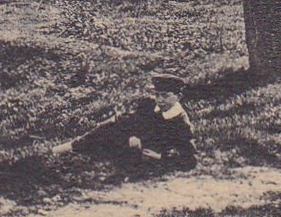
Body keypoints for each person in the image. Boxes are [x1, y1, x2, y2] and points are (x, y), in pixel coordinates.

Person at [50, 71, 197, 171]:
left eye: (165, 96)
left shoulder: (181, 123)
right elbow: (131, 119)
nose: (160, 100)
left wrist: (161, 157)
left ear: (178, 97)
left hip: (150, 155)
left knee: (116, 148)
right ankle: (72, 147)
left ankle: (79, 152)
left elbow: (190, 160)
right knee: (114, 125)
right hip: (134, 142)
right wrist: (135, 134)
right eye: (157, 95)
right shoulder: (150, 105)